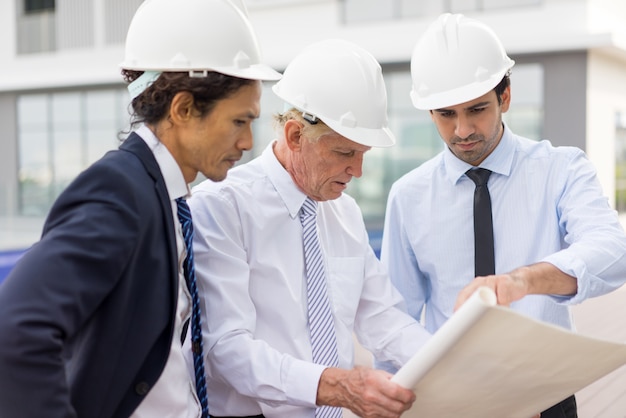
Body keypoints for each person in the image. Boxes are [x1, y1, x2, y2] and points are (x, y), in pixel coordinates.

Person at [0, 0, 281, 417]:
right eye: (240, 121)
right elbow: (17, 330)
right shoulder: (121, 193)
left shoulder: (163, 196)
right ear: (183, 109)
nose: (248, 142)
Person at [381, 12, 626, 418]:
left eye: (476, 109)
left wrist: (522, 281)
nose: (462, 131)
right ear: (429, 113)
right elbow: (395, 316)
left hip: (546, 399)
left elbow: (613, 250)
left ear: (506, 96)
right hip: (452, 402)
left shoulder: (560, 169)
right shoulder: (407, 196)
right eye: (446, 114)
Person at [185, 39, 431, 418]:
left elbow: (382, 318)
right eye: (345, 153)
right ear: (295, 136)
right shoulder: (222, 207)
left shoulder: (344, 213)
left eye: (363, 154)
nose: (358, 171)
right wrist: (333, 387)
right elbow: (227, 350)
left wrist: (452, 369)